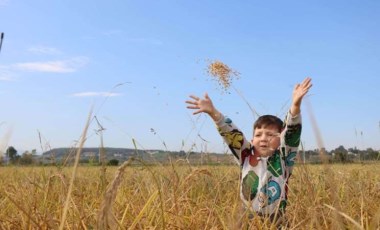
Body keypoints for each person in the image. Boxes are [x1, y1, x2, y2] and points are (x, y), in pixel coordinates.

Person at [186, 77, 312, 226]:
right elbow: (232, 134)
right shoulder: (245, 154)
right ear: (252, 140)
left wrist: (295, 106)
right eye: (258, 135)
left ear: (280, 140)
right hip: (246, 216)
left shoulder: (284, 158)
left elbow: (291, 133)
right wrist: (214, 113)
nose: (264, 139)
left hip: (276, 217)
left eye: (271, 135)